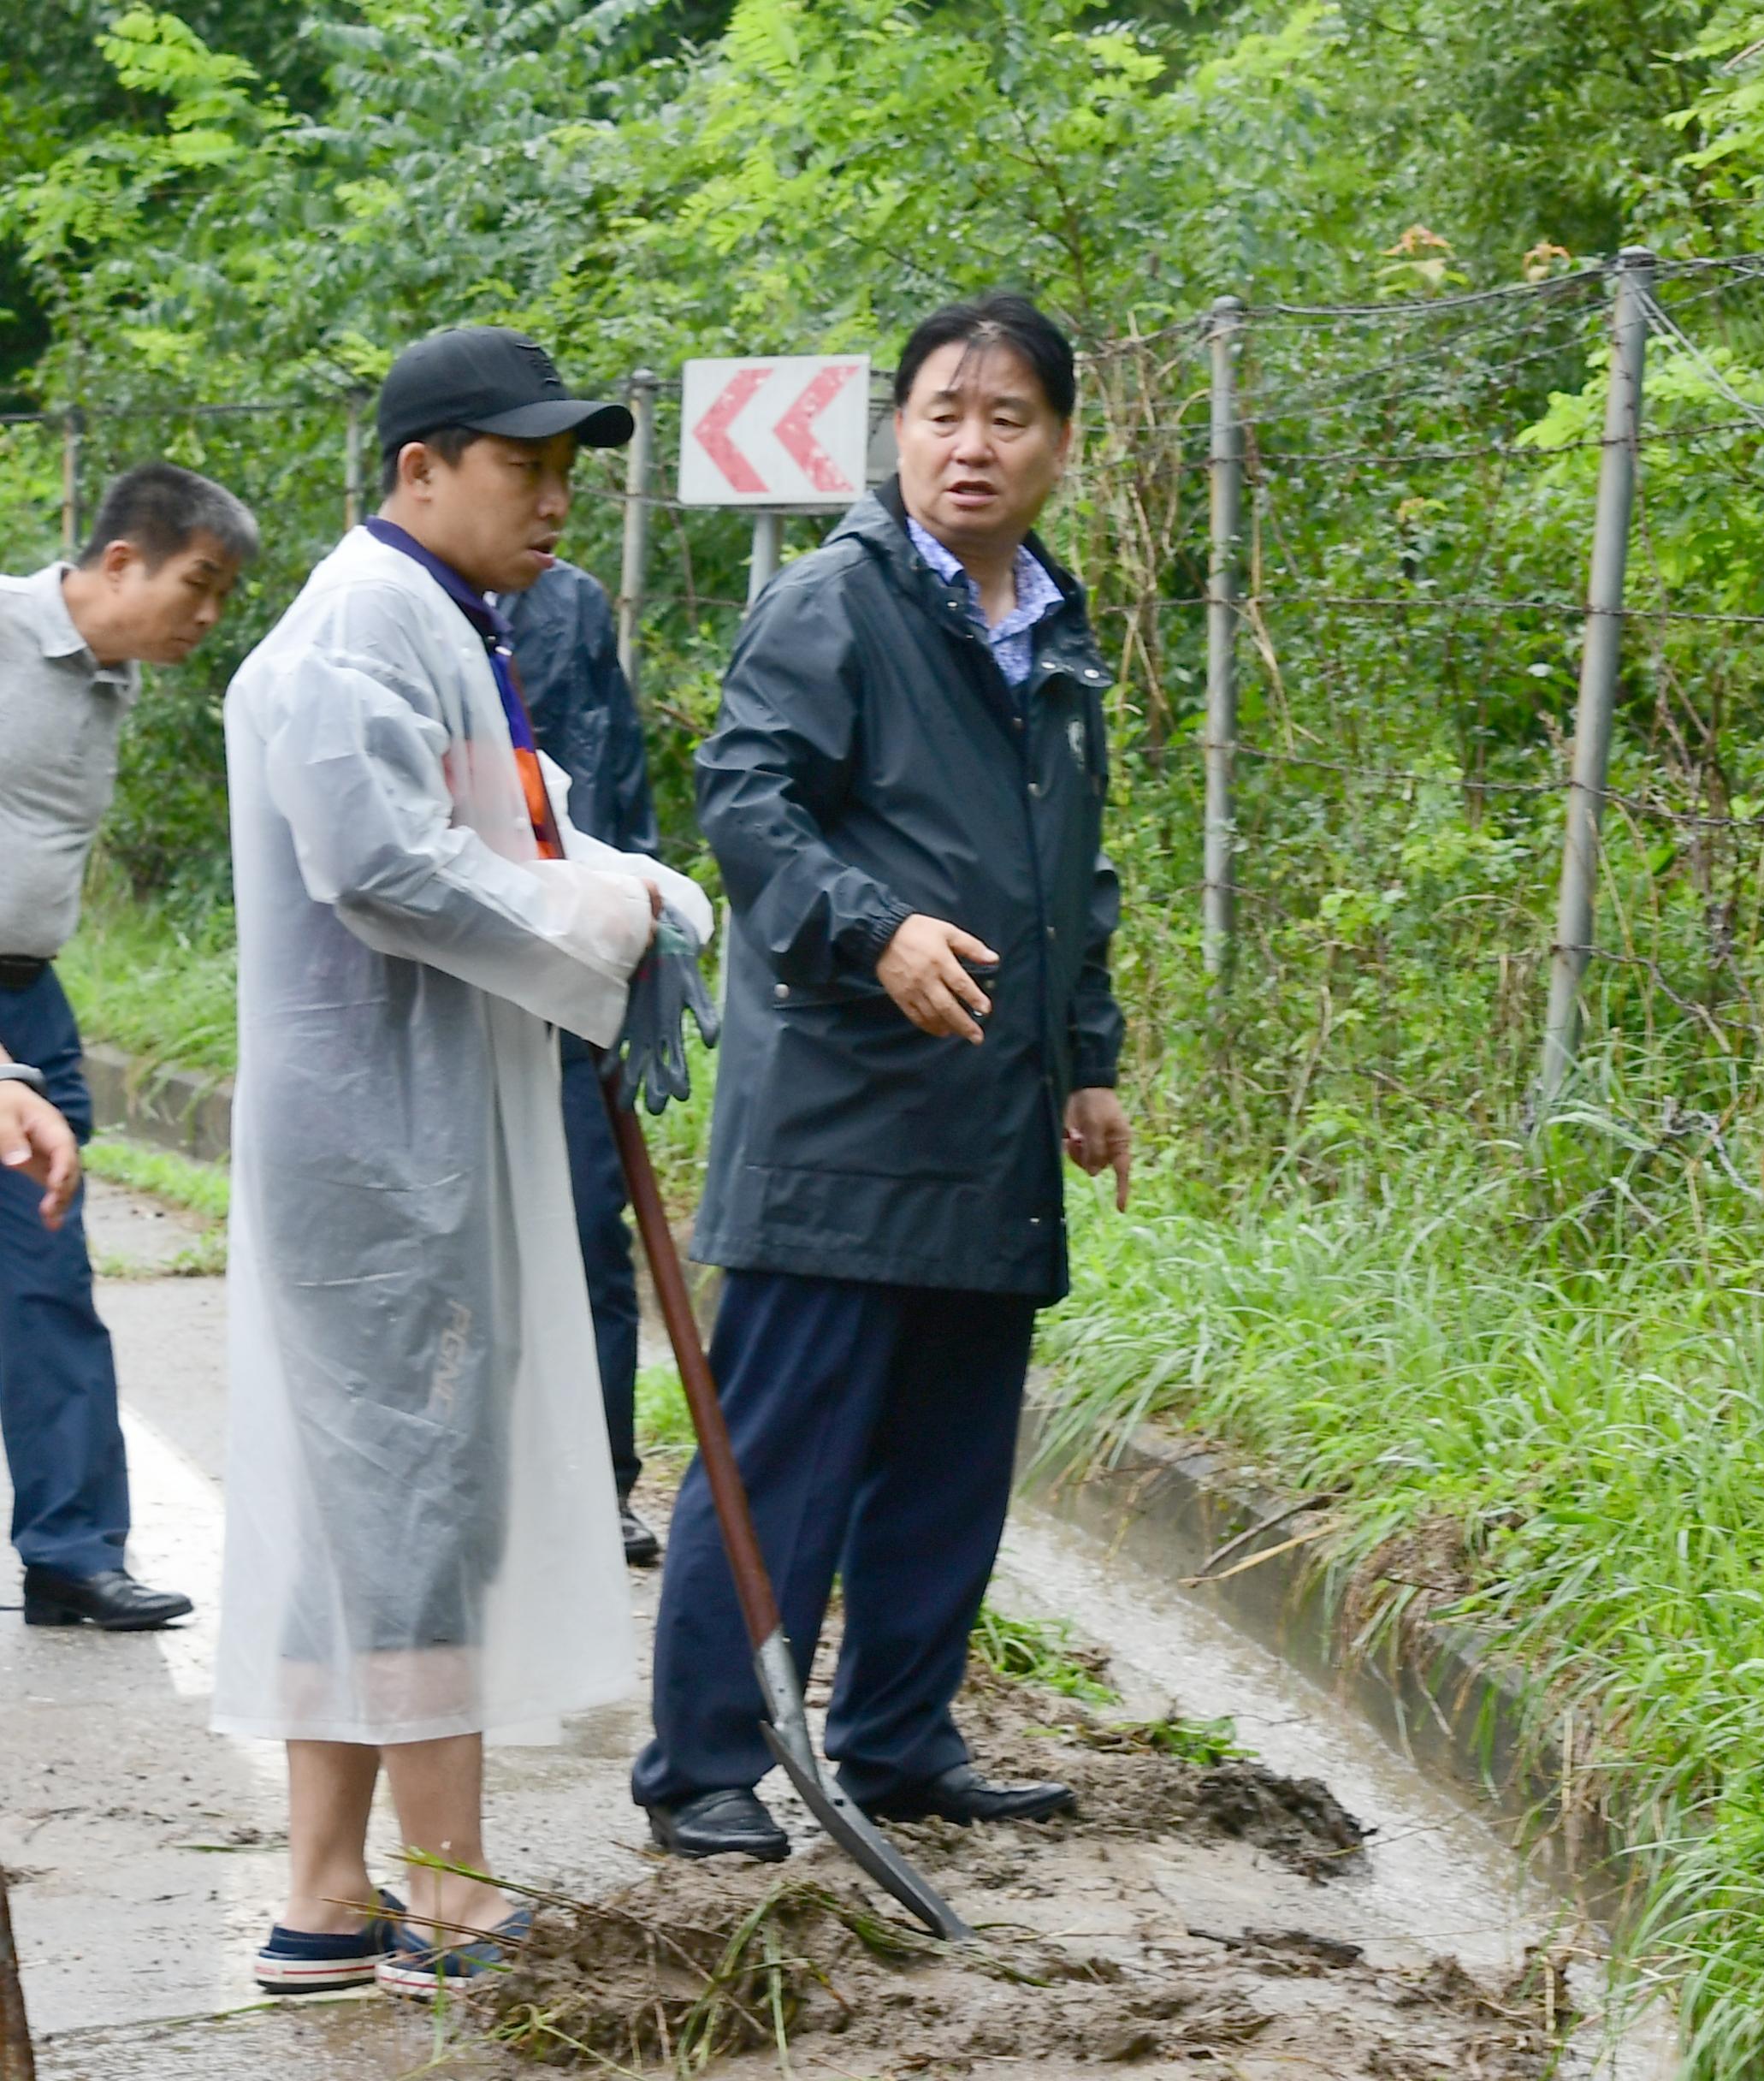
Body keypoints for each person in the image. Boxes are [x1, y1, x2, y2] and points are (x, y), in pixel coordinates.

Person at [218, 325, 707, 1999]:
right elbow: (385, 869)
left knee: (359, 1510)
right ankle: (448, 1900)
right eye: (525, 465)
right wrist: (601, 917)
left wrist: (638, 892)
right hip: (376, 1144)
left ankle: (328, 1896)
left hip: (398, 1130)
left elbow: (524, 825)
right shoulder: (366, 623)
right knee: (414, 1496)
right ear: (419, 469)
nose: (557, 497)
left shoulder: (440, 618)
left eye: (571, 469)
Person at [632, 293, 1131, 1861]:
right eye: (941, 413)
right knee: (781, 1450)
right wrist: (876, 930)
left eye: (1007, 418)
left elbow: (1068, 876)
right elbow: (747, 799)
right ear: (895, 430)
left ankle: (900, 1736)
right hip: (845, 1109)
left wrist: (1087, 1062)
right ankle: (703, 1762)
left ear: (1057, 445)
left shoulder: (1051, 625)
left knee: (947, 1462)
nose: (970, 445)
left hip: (988, 1108)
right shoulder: (834, 605)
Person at [1, 465, 254, 1633]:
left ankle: (72, 1552)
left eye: (223, 595)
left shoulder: (113, 681)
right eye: (197, 585)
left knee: (46, 1280)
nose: (207, 616)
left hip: (30, 1005)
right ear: (118, 563)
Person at [494, 554, 665, 1566]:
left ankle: (601, 1481)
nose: (547, 503)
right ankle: (484, 1474)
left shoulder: (571, 605)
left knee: (591, 1230)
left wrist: (633, 923)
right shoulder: (394, 606)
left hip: (573, 965)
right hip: (450, 970)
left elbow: (619, 774)